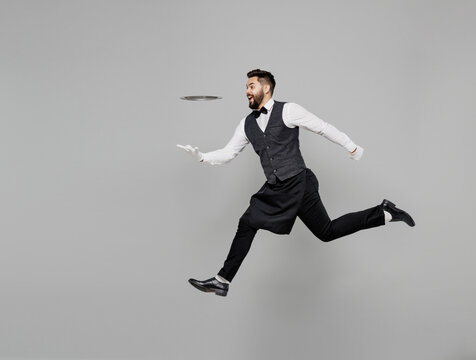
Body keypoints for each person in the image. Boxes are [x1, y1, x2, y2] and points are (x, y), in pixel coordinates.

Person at [177, 69, 414, 297]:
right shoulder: (246, 124)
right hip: (276, 188)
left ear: (266, 88)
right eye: (246, 87)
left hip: (299, 183)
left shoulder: (288, 110)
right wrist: (202, 157)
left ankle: (222, 281)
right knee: (316, 230)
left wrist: (351, 146)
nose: (247, 91)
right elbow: (229, 153)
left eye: (252, 86)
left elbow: (322, 127)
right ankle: (384, 213)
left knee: (273, 225)